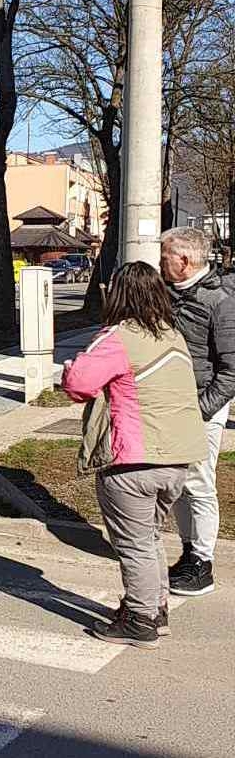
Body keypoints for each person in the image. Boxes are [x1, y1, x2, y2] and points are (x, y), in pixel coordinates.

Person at [62, 262, 206, 649]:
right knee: (149, 537)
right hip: (177, 461)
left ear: (116, 294)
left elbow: (79, 384)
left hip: (133, 461)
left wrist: (69, 368)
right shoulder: (173, 337)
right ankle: (155, 609)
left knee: (134, 544)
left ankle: (140, 621)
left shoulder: (119, 337)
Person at [159, 227, 235, 597]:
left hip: (202, 409)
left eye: (165, 257)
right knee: (179, 485)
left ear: (185, 260)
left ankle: (202, 564)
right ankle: (188, 554)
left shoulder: (219, 300)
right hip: (172, 408)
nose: (160, 263)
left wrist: (201, 411)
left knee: (200, 484)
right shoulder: (172, 294)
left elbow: (231, 371)